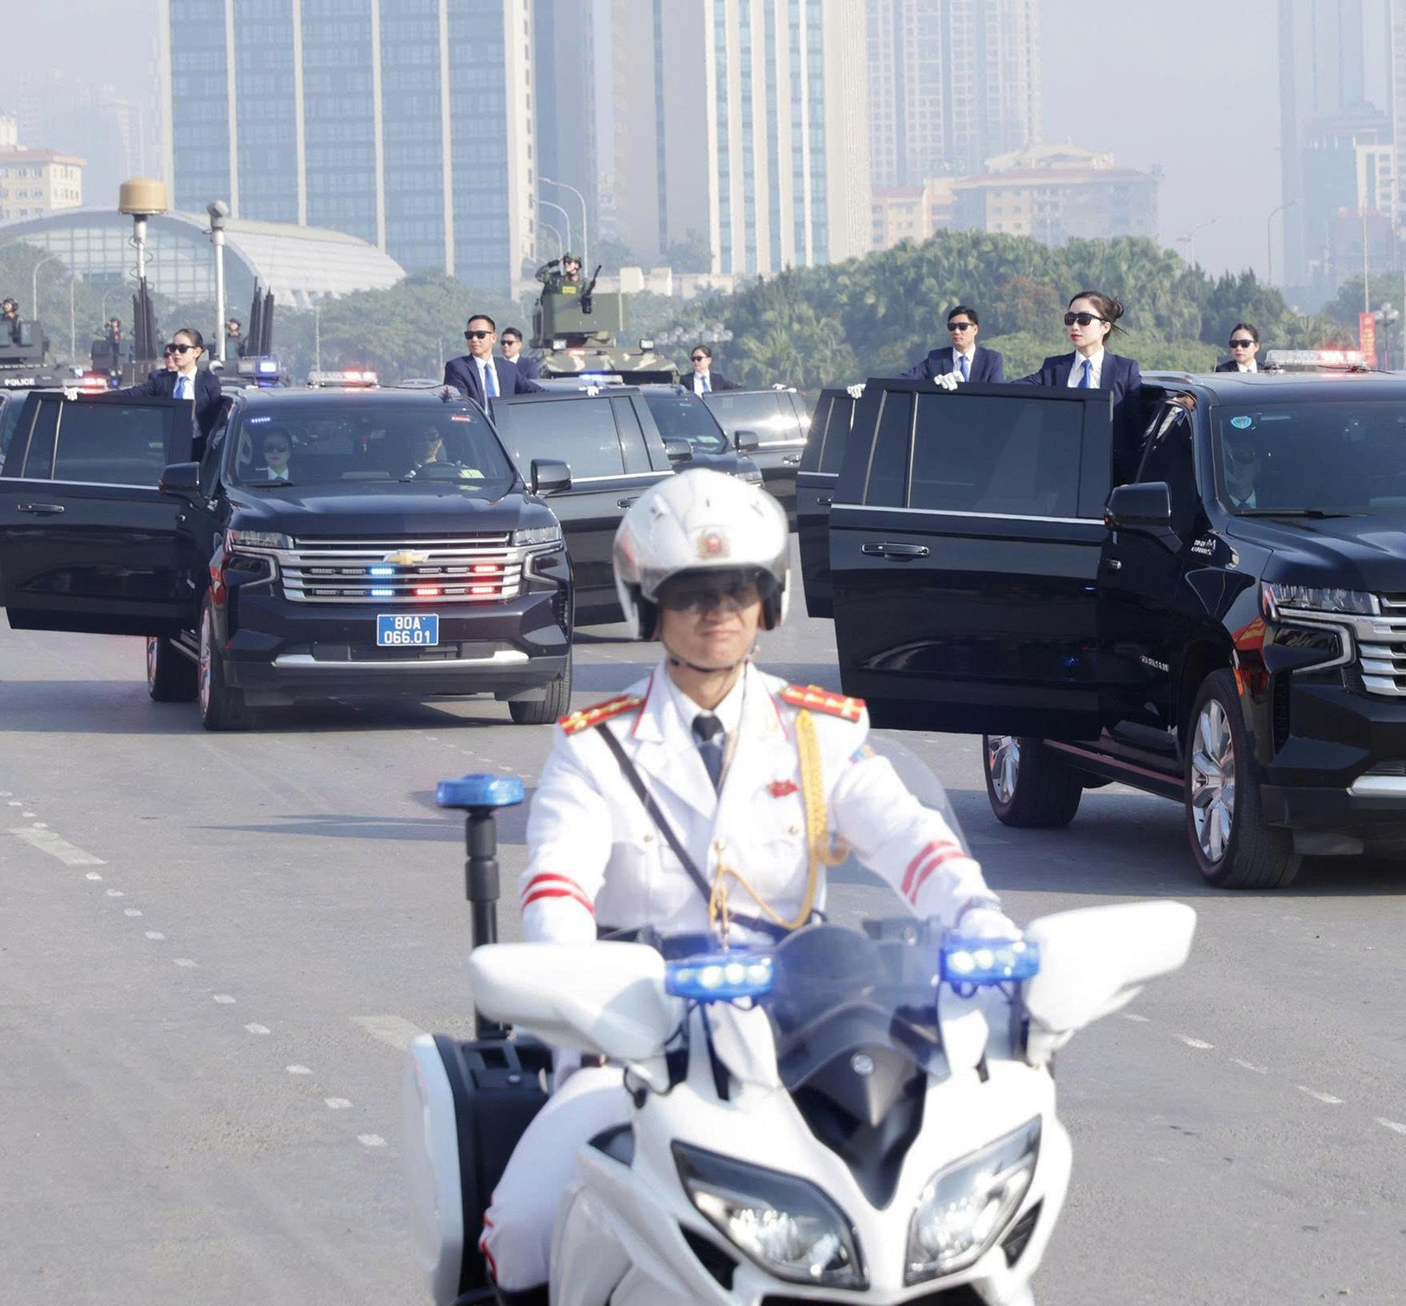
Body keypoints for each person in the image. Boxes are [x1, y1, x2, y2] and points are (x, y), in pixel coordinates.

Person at [477, 469, 1016, 1300]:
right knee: (521, 1230)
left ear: (771, 600)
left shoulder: (816, 731)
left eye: (740, 589)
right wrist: (570, 992)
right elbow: (557, 892)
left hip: (804, 1040)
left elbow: (911, 839)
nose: (718, 610)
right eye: (691, 592)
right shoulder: (596, 746)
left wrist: (979, 920)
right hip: (635, 1046)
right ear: (648, 605)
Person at [1007, 292, 1146, 479]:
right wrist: (959, 386)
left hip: (1112, 479)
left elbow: (1138, 429)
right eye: (1070, 318)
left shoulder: (1125, 370)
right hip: (1059, 479)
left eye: (1084, 319)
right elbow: (1012, 389)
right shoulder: (1054, 368)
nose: (1074, 326)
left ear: (1105, 327)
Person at [136, 328, 228, 450]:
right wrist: (103, 397)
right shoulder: (162, 381)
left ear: (197, 352)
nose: (176, 353)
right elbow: (134, 393)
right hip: (172, 448)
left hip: (201, 448)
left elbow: (220, 418)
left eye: (182, 349)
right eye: (173, 348)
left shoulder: (209, 382)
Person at [444, 314, 544, 413]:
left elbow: (536, 392)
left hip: (506, 427)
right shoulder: (457, 368)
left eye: (480, 335)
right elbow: (458, 406)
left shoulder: (508, 368)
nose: (474, 339)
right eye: (469, 335)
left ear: (493, 338)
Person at [901, 305, 1003, 385]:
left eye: (963, 327)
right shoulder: (936, 359)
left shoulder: (991, 360)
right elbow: (907, 379)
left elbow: (997, 396)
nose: (956, 331)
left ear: (975, 329)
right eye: (952, 327)